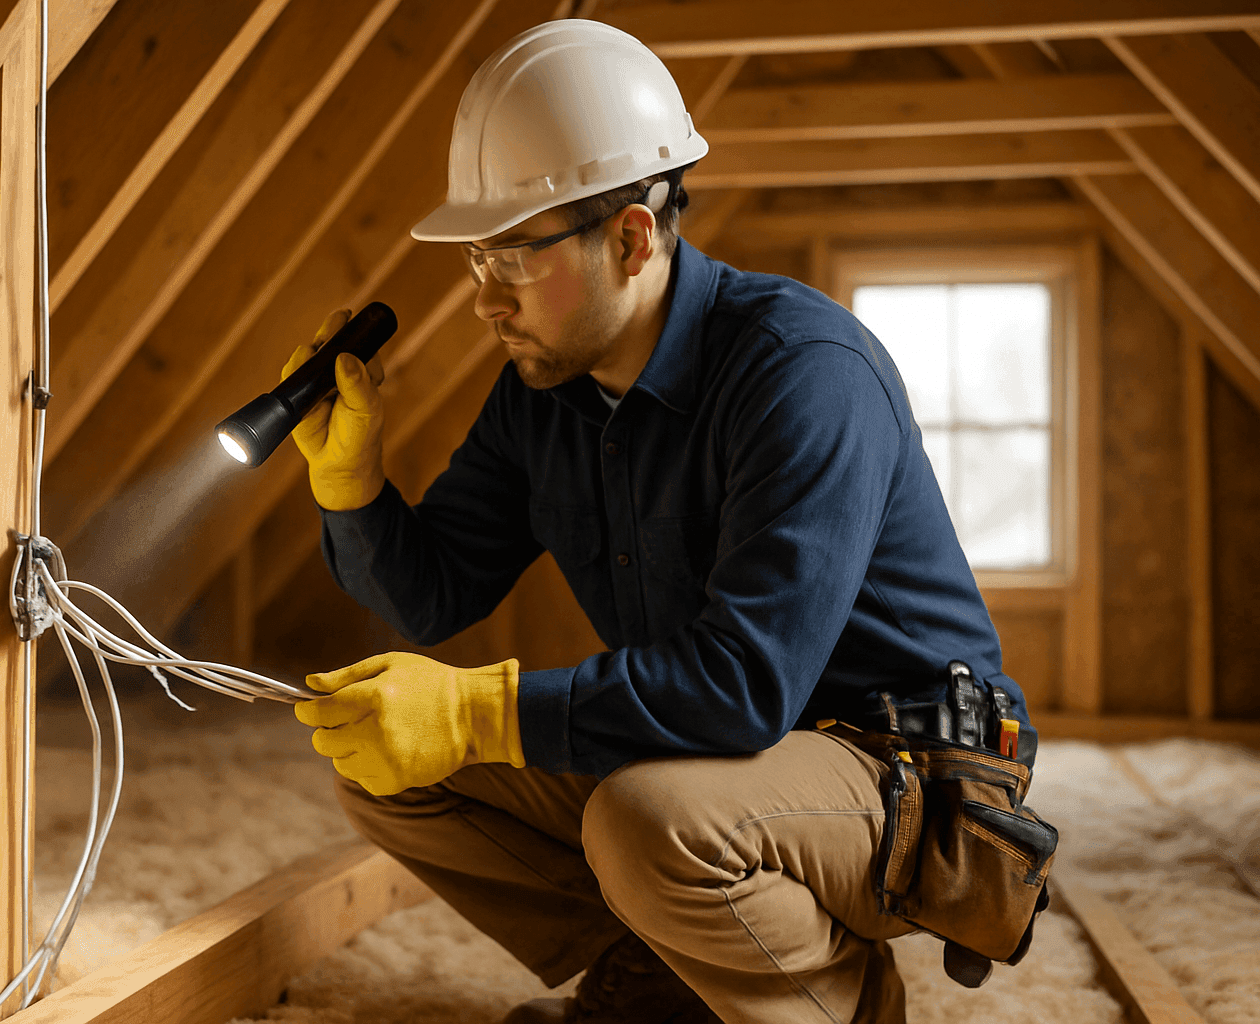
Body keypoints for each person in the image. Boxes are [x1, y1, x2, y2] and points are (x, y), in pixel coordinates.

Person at [284, 19, 1038, 1024]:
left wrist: (478, 707)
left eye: (511, 259)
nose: (483, 302)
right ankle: (665, 974)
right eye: (475, 263)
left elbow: (742, 685)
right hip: (727, 756)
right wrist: (353, 484)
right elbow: (433, 594)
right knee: (383, 757)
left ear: (632, 238)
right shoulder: (542, 393)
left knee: (646, 821)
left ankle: (842, 997)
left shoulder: (803, 373)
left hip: (899, 766)